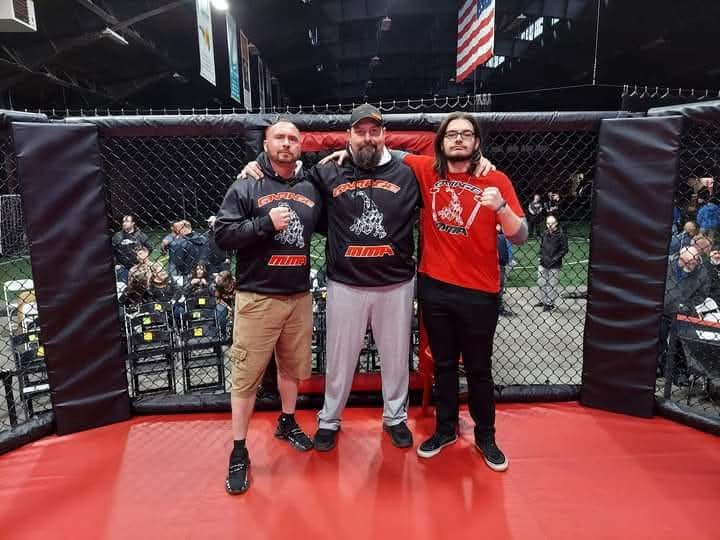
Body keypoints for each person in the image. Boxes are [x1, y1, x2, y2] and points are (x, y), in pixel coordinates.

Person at [241, 106, 495, 454]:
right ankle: (329, 419)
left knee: (396, 359)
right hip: (345, 283)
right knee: (339, 359)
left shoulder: (408, 171)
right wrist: (257, 164)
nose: (367, 138)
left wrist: (481, 162)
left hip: (396, 283)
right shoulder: (329, 170)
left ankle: (395, 417)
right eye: (360, 132)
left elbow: (451, 172)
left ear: (383, 134)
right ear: (349, 136)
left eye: (374, 131)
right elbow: (289, 178)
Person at [214, 120, 323, 495]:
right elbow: (222, 235)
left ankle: (287, 421)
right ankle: (239, 449)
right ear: (266, 143)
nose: (287, 143)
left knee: (292, 369)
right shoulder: (247, 184)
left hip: (298, 296)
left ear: (301, 146)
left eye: (293, 138)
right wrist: (265, 224)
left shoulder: (310, 186)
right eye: (280, 137)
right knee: (246, 377)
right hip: (257, 297)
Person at [536, 215, 568, 312]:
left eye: (552, 223)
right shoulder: (545, 233)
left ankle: (550, 303)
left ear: (556, 223)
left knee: (552, 284)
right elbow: (541, 246)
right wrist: (540, 255)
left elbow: (564, 249)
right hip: (543, 262)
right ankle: (544, 301)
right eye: (548, 223)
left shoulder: (561, 235)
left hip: (554, 264)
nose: (550, 225)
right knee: (541, 282)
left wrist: (555, 259)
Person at [112, 215, 152, 284]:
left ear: (133, 223)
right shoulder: (117, 236)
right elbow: (112, 251)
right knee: (124, 286)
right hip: (123, 268)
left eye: (127, 221)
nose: (124, 223)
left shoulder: (140, 235)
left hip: (139, 268)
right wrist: (116, 264)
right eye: (123, 221)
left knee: (140, 286)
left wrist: (144, 258)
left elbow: (150, 247)